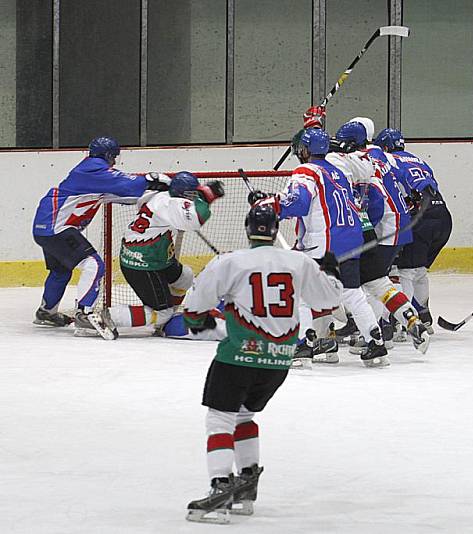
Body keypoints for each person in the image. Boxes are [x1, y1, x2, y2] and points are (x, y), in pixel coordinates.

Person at [184, 204, 343, 523]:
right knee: (245, 415)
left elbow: (194, 305)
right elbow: (329, 300)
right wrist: (330, 271)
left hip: (238, 358)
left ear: (247, 229)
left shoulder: (229, 262)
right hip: (279, 362)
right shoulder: (300, 262)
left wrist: (198, 320)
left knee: (220, 420)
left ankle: (220, 489)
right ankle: (246, 487)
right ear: (275, 230)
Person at [253, 128, 390, 367]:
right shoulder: (338, 171)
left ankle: (304, 345)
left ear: (304, 150)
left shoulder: (306, 171)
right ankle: (375, 343)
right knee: (353, 293)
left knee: (299, 293)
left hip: (325, 245)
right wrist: (272, 199)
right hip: (351, 239)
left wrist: (269, 205)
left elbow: (299, 203)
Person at [31, 136, 172, 339]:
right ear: (108, 155)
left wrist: (151, 191)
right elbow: (126, 184)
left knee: (60, 271)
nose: (114, 161)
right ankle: (85, 314)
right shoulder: (93, 169)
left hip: (44, 228)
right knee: (94, 264)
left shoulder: (90, 176)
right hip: (58, 228)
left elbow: (123, 196)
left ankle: (46, 312)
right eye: (114, 157)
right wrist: (150, 178)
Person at [334, 121, 429, 354]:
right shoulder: (382, 156)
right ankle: (411, 319)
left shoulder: (354, 160)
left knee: (367, 285)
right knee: (380, 281)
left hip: (380, 229)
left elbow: (374, 199)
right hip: (399, 224)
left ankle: (379, 331)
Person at [106, 172, 225, 335]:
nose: (193, 197)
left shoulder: (159, 196)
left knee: (185, 278)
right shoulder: (169, 203)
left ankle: (163, 322)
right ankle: (107, 316)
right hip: (143, 263)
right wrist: (207, 196)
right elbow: (197, 217)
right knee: (162, 312)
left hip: (155, 258)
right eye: (191, 194)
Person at [374, 127, 453, 333]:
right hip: (443, 217)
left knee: (406, 272)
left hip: (421, 219)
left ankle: (402, 320)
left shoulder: (388, 161)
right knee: (419, 270)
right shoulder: (419, 160)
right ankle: (423, 315)